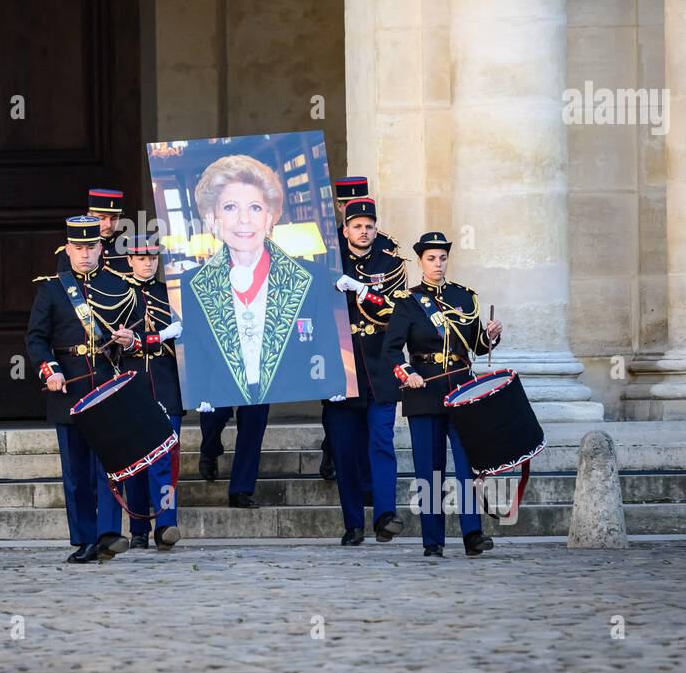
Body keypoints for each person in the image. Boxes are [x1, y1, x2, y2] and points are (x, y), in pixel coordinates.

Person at [179, 154, 346, 507]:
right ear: (212, 218)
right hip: (219, 373)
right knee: (214, 417)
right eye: (230, 207)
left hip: (264, 370)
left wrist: (330, 378)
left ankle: (241, 488)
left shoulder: (305, 278)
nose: (243, 220)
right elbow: (193, 339)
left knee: (253, 425)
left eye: (255, 207)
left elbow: (321, 331)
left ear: (271, 217)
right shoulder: (194, 283)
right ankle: (209, 449)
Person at [380, 231, 503, 558]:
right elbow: (391, 350)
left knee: (468, 465)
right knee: (429, 469)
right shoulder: (407, 302)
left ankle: (473, 534)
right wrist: (408, 373)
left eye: (442, 258)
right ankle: (432, 541)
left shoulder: (466, 297)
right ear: (421, 261)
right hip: (424, 391)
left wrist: (490, 336)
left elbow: (476, 346)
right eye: (431, 258)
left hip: (463, 389)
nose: (438, 264)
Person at [26, 215, 141, 563]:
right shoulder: (52, 289)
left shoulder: (121, 286)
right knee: (77, 473)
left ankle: (108, 534)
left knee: (109, 467)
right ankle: (85, 538)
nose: (85, 255)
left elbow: (139, 340)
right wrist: (51, 371)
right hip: (69, 390)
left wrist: (130, 340)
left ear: (101, 247)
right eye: (78, 248)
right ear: (69, 249)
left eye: (91, 247)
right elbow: (37, 339)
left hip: (107, 386)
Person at [323, 197, 409, 545]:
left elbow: (396, 311)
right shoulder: (328, 264)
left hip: (380, 368)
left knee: (382, 443)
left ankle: (386, 515)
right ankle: (353, 524)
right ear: (345, 231)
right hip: (339, 369)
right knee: (345, 451)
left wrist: (362, 291)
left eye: (369, 226)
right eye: (357, 226)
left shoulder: (391, 265)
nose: (364, 231)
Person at [118, 236, 184, 549]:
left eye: (153, 258)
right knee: (135, 463)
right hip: (133, 386)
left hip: (167, 385)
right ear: (129, 259)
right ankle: (139, 529)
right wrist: (156, 338)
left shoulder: (169, 293)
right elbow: (114, 339)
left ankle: (167, 524)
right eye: (141, 258)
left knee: (165, 459)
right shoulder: (116, 293)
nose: (147, 263)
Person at [55, 187, 131, 275]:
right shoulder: (70, 252)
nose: (109, 225)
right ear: (89, 216)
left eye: (114, 218)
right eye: (102, 218)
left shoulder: (130, 248)